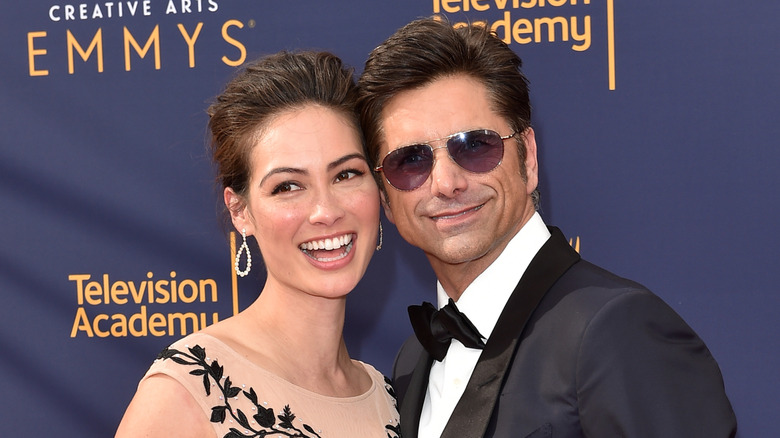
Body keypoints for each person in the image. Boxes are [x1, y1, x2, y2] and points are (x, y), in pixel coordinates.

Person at [357, 17, 737, 438]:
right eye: (410, 161)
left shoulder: (616, 332)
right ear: (385, 197)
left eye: (475, 146)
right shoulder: (413, 361)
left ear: (529, 158)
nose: (447, 184)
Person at [116, 51, 400, 438]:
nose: (325, 210)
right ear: (240, 212)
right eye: (288, 186)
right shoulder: (192, 387)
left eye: (346, 174)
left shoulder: (387, 396)